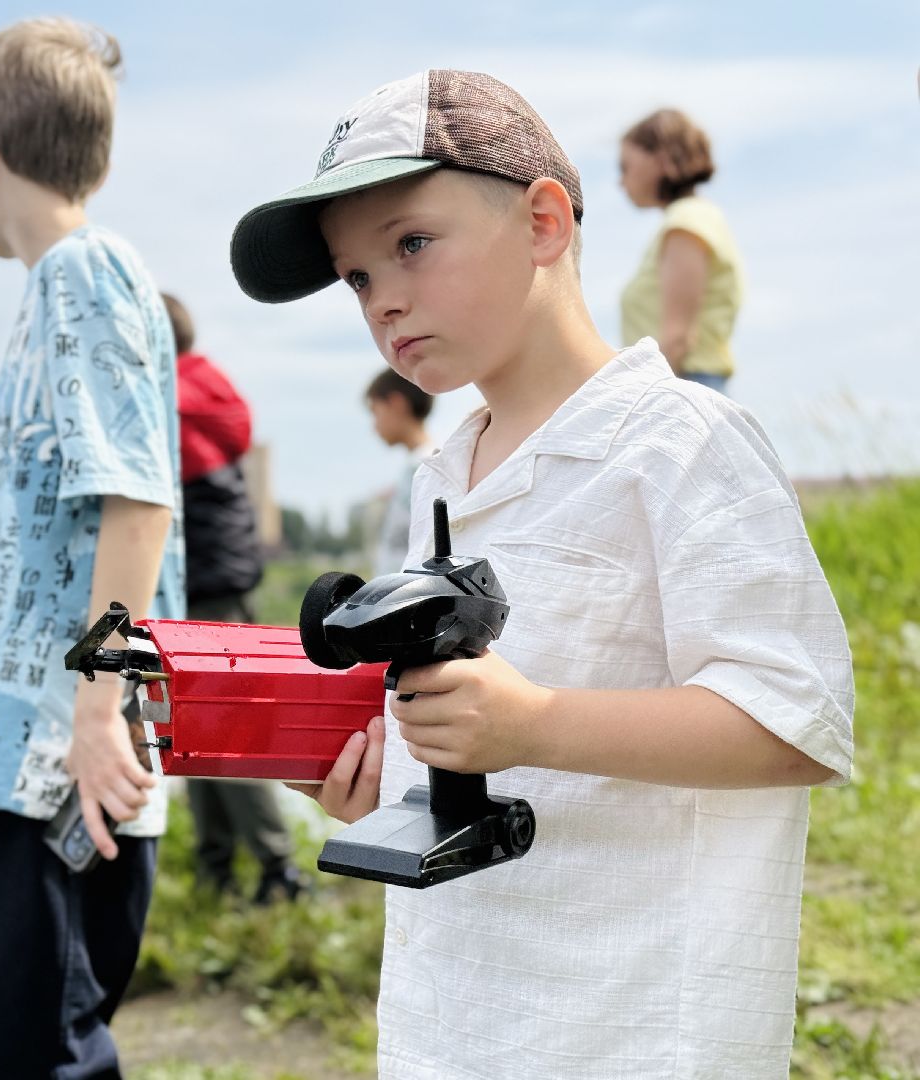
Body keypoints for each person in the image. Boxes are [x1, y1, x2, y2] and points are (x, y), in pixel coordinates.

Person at [229, 69, 852, 1079]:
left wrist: (537, 723)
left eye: (411, 244)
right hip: (456, 1022)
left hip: (632, 1031)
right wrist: (380, 779)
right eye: (355, 278)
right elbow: (477, 744)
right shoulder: (442, 473)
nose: (382, 297)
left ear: (545, 222)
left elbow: (795, 721)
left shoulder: (681, 442)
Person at [0, 19, 184, 1078]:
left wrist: (100, 712)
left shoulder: (88, 274)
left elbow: (138, 501)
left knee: (33, 1050)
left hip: (51, 757)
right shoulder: (51, 290)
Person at [162, 292, 307, 904]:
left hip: (204, 592)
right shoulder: (205, 387)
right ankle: (218, 868)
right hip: (217, 586)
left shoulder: (167, 397)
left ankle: (276, 871)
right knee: (194, 732)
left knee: (220, 733)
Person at [619, 108, 745, 393]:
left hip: (683, 385)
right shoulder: (693, 219)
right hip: (687, 385)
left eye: (626, 168)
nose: (621, 182)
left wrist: (641, 400)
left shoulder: (687, 222)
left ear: (662, 160)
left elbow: (677, 338)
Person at [365, 369, 435, 574]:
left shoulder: (425, 467)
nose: (374, 425)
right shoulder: (417, 466)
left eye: (374, 412)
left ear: (396, 403)